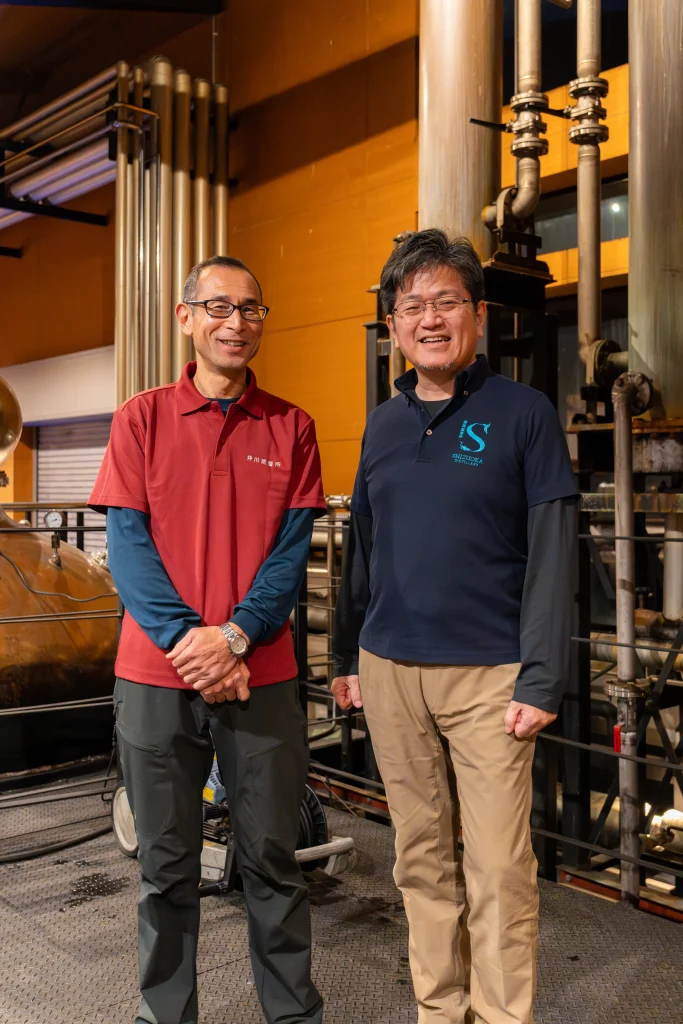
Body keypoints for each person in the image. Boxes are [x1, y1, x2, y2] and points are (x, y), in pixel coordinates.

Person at [331, 230, 578, 1024]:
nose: (429, 319)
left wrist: (542, 677)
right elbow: (361, 549)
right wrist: (344, 656)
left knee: (499, 866)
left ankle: (502, 1016)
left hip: (489, 675)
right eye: (412, 306)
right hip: (388, 669)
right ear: (393, 326)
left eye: (446, 302)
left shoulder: (523, 413)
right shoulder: (381, 424)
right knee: (419, 858)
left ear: (476, 314)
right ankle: (439, 1010)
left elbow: (553, 553)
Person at [90, 255, 326, 1024]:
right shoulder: (141, 419)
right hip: (155, 678)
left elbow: (289, 555)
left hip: (261, 675)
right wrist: (191, 644)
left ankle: (292, 1016)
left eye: (251, 308)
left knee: (273, 863)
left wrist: (234, 637)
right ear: (186, 317)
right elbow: (127, 547)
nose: (237, 322)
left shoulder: (291, 426)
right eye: (219, 306)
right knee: (165, 870)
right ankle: (165, 1016)